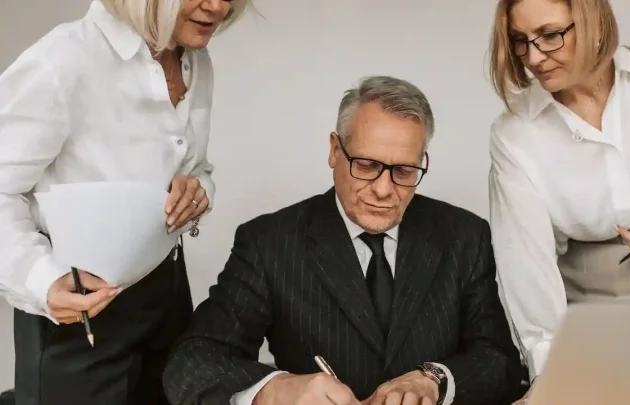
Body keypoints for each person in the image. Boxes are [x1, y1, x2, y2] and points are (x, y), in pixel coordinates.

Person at [162, 75, 524, 405]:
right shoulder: (268, 243)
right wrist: (274, 389)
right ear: (335, 150)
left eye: (404, 171)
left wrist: (435, 379)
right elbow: (193, 361)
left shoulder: (465, 236)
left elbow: (499, 362)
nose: (384, 190)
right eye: (366, 165)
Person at [0, 0, 248, 404]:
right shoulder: (65, 59)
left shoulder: (195, 61)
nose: (218, 6)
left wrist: (199, 190)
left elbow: (194, 168)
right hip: (82, 316)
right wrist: (41, 281)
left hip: (169, 297)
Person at [486, 0, 630, 402]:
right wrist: (555, 373)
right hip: (600, 320)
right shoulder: (515, 134)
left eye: (550, 35)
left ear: (593, 21)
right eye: (520, 40)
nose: (534, 57)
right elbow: (526, 267)